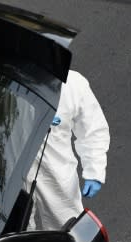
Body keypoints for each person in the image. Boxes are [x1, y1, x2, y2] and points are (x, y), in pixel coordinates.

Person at [28, 69, 110, 231]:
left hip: (57, 170)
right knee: (14, 231)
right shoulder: (10, 75)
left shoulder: (72, 83)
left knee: (66, 227)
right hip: (14, 167)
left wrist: (94, 171)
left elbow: (93, 129)